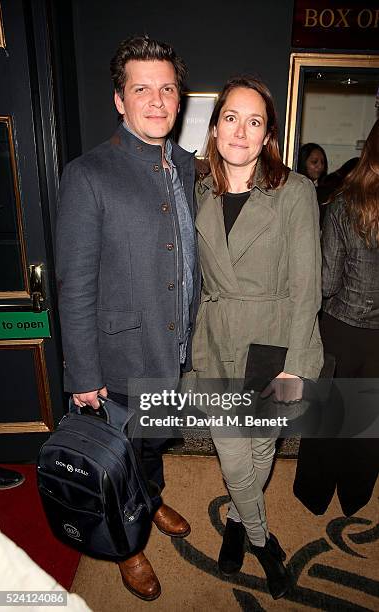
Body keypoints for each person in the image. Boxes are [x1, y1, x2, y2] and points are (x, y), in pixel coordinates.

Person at [56, 35, 199, 601]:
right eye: (142, 89)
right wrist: (82, 374)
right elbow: (76, 284)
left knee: (152, 446)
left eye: (167, 89)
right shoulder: (88, 174)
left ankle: (155, 500)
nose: (157, 101)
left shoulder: (186, 167)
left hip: (171, 350)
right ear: (120, 100)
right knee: (116, 462)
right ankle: (126, 546)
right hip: (116, 358)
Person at [191, 76, 323, 599]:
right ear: (216, 125)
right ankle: (263, 539)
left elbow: (306, 285)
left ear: (268, 133)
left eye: (254, 121)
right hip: (217, 339)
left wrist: (295, 360)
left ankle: (237, 523)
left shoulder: (294, 191)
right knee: (233, 453)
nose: (241, 131)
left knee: (261, 445)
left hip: (274, 341)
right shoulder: (200, 189)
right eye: (231, 118)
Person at [294, 119, 379, 517]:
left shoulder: (344, 203)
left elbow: (326, 283)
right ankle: (355, 497)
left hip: (341, 330)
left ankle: (314, 495)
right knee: (366, 426)